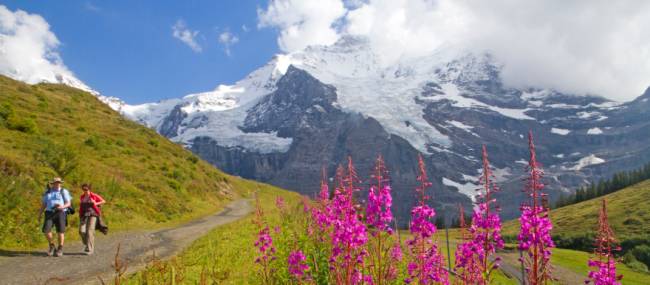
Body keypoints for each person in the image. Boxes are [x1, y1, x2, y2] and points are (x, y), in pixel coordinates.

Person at [39, 177, 72, 257]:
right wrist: (39, 214)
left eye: (59, 182)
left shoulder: (63, 191)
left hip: (61, 212)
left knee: (60, 231)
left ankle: (60, 248)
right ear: (53, 183)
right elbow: (44, 204)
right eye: (56, 182)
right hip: (49, 212)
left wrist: (62, 207)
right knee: (46, 230)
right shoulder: (48, 192)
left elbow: (68, 203)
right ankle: (52, 245)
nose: (58, 184)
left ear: (61, 183)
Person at [78, 184, 106, 255]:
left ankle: (90, 249)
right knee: (81, 231)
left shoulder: (94, 195)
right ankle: (87, 243)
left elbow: (103, 201)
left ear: (89, 189)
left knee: (90, 231)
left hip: (93, 214)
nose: (85, 191)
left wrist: (95, 203)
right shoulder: (82, 197)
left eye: (86, 189)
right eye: (83, 189)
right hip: (84, 215)